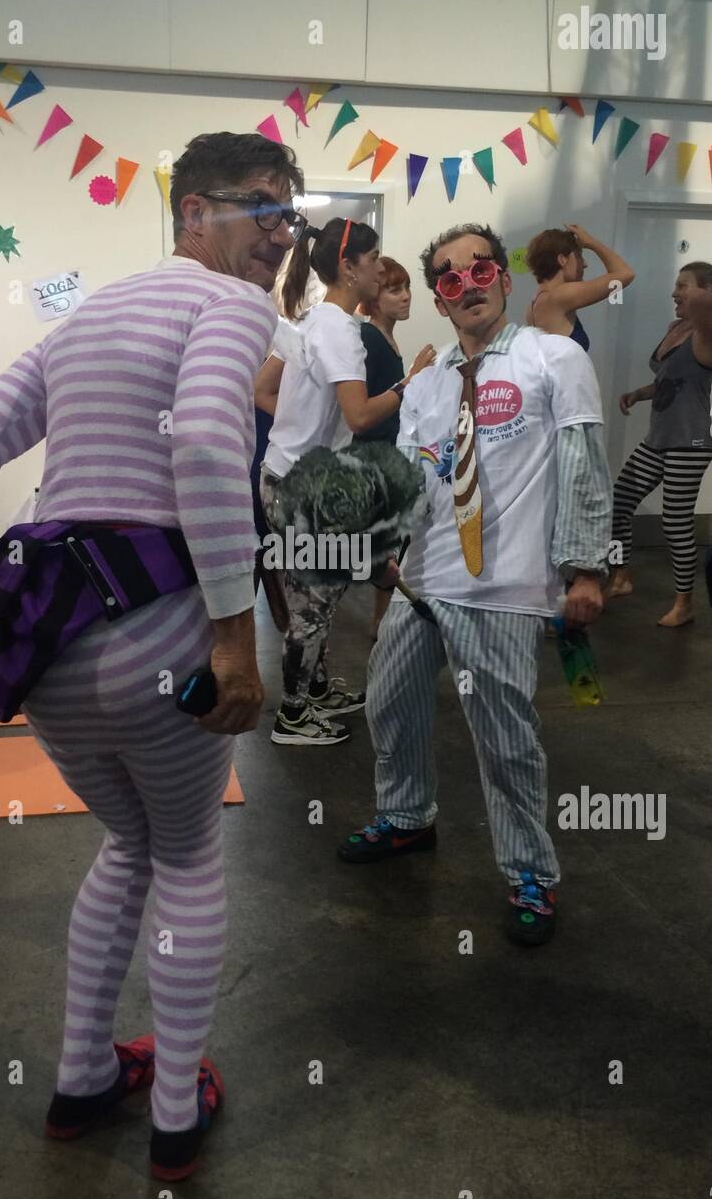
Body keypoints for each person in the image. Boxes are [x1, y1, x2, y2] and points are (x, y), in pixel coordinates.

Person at [0, 130, 305, 1181]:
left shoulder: (87, 313)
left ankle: (82, 1076)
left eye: (289, 209)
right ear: (191, 212)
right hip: (164, 631)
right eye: (259, 207)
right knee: (185, 854)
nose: (279, 232)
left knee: (127, 847)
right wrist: (235, 633)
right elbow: (198, 440)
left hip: (51, 647)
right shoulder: (232, 304)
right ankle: (176, 1116)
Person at [336, 222, 612, 948]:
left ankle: (530, 872)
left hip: (503, 592)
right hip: (423, 583)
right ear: (438, 297)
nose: (467, 285)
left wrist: (586, 569)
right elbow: (412, 475)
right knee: (389, 706)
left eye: (478, 269)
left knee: (503, 741)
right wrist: (389, 545)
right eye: (449, 278)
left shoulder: (552, 359)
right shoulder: (425, 384)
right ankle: (405, 819)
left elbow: (583, 463)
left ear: (504, 279)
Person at [259, 218, 427, 746]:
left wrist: (298, 431)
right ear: (349, 268)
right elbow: (358, 417)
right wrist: (410, 382)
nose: (381, 268)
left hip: (283, 476)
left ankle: (316, 689)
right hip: (301, 491)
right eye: (375, 260)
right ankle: (292, 715)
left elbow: (263, 390)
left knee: (319, 597)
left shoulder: (310, 320)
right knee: (312, 604)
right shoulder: (341, 332)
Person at [607, 262, 712, 626]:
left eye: (683, 286)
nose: (674, 293)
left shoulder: (705, 334)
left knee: (675, 522)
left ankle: (685, 603)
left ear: (706, 291)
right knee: (620, 499)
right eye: (675, 285)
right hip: (659, 438)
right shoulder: (676, 329)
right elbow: (669, 379)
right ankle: (621, 575)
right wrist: (639, 393)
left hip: (690, 441)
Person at [353, 255, 435, 639]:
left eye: (406, 289)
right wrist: (415, 375)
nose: (405, 298)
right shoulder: (369, 337)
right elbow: (367, 407)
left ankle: (382, 621)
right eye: (394, 289)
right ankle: (380, 623)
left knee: (391, 544)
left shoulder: (386, 337)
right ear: (373, 295)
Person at [526, 224, 635, 350]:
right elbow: (625, 274)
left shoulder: (535, 303)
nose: (584, 264)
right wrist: (591, 242)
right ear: (562, 259)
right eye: (579, 256)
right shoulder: (560, 295)